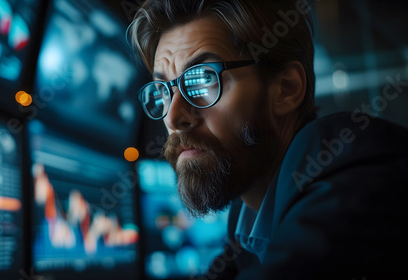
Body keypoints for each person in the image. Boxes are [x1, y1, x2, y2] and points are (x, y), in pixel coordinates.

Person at [128, 0, 408, 279]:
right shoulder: (248, 217)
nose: (173, 117)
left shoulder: (351, 171)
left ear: (286, 89)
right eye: (163, 90)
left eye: (202, 80)